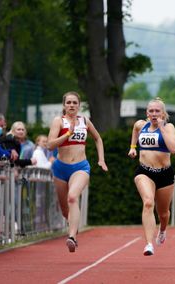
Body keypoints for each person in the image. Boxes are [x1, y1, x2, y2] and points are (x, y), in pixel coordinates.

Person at [47, 91, 108, 253]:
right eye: (69, 103)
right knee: (64, 209)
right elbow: (50, 145)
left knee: (73, 197)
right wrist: (68, 134)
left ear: (79, 105)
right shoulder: (58, 121)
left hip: (80, 167)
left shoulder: (85, 121)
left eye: (75, 103)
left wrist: (101, 159)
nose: (72, 105)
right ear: (64, 105)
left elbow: (98, 139)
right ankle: (72, 225)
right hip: (60, 168)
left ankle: (72, 237)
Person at [127, 98, 175, 256]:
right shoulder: (140, 125)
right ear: (147, 113)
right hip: (144, 171)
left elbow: (174, 149)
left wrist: (161, 129)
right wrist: (133, 147)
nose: (154, 114)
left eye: (157, 111)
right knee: (148, 202)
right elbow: (135, 131)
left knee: (163, 213)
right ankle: (149, 244)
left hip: (164, 173)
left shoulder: (169, 127)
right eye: (151, 111)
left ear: (163, 113)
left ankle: (162, 230)